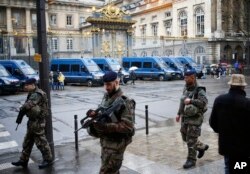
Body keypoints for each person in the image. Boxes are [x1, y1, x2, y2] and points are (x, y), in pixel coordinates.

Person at [84, 71, 135, 173]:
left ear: (117, 83)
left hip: (116, 147)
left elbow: (128, 127)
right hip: (106, 144)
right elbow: (104, 113)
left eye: (109, 84)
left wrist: (105, 126)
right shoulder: (107, 96)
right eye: (105, 84)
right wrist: (95, 114)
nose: (106, 87)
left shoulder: (125, 101)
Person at [209, 74, 250, 174]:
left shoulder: (219, 100)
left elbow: (213, 122)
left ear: (230, 85)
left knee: (229, 167)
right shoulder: (247, 103)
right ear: (243, 86)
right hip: (244, 147)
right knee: (241, 169)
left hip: (226, 144)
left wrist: (223, 131)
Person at [12, 78, 53, 169]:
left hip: (38, 122)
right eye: (25, 85)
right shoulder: (32, 93)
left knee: (41, 142)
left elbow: (28, 105)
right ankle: (23, 160)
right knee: (27, 142)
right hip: (32, 121)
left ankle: (48, 160)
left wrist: (20, 108)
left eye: (27, 85)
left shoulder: (37, 94)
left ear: (33, 85)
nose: (25, 87)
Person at [176, 70, 209, 169]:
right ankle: (201, 147)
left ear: (193, 77)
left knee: (191, 140)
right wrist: (178, 114)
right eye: (184, 77)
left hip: (195, 118)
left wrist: (191, 100)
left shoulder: (200, 89)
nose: (185, 79)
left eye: (187, 77)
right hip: (185, 117)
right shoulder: (186, 88)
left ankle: (191, 160)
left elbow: (204, 103)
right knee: (184, 137)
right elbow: (182, 101)